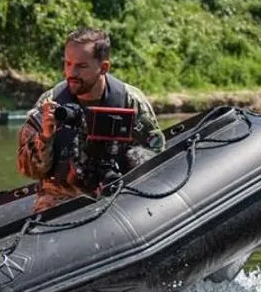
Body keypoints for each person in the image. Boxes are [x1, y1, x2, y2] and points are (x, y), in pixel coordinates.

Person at [17, 28, 165, 212]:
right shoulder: (50, 103)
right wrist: (45, 137)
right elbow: (27, 170)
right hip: (59, 205)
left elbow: (156, 156)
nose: (72, 72)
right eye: (68, 64)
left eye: (81, 66)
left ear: (103, 68)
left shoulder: (131, 102)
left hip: (118, 200)